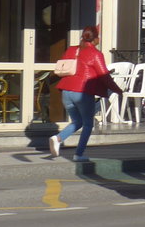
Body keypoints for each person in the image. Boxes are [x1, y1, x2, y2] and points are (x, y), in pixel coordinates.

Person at [49, 26, 124, 162]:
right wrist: (118, 90)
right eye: (98, 37)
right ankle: (79, 154)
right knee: (88, 124)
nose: (99, 39)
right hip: (83, 92)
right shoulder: (95, 54)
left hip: (66, 91)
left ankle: (58, 138)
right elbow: (104, 76)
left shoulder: (72, 49)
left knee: (78, 121)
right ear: (95, 39)